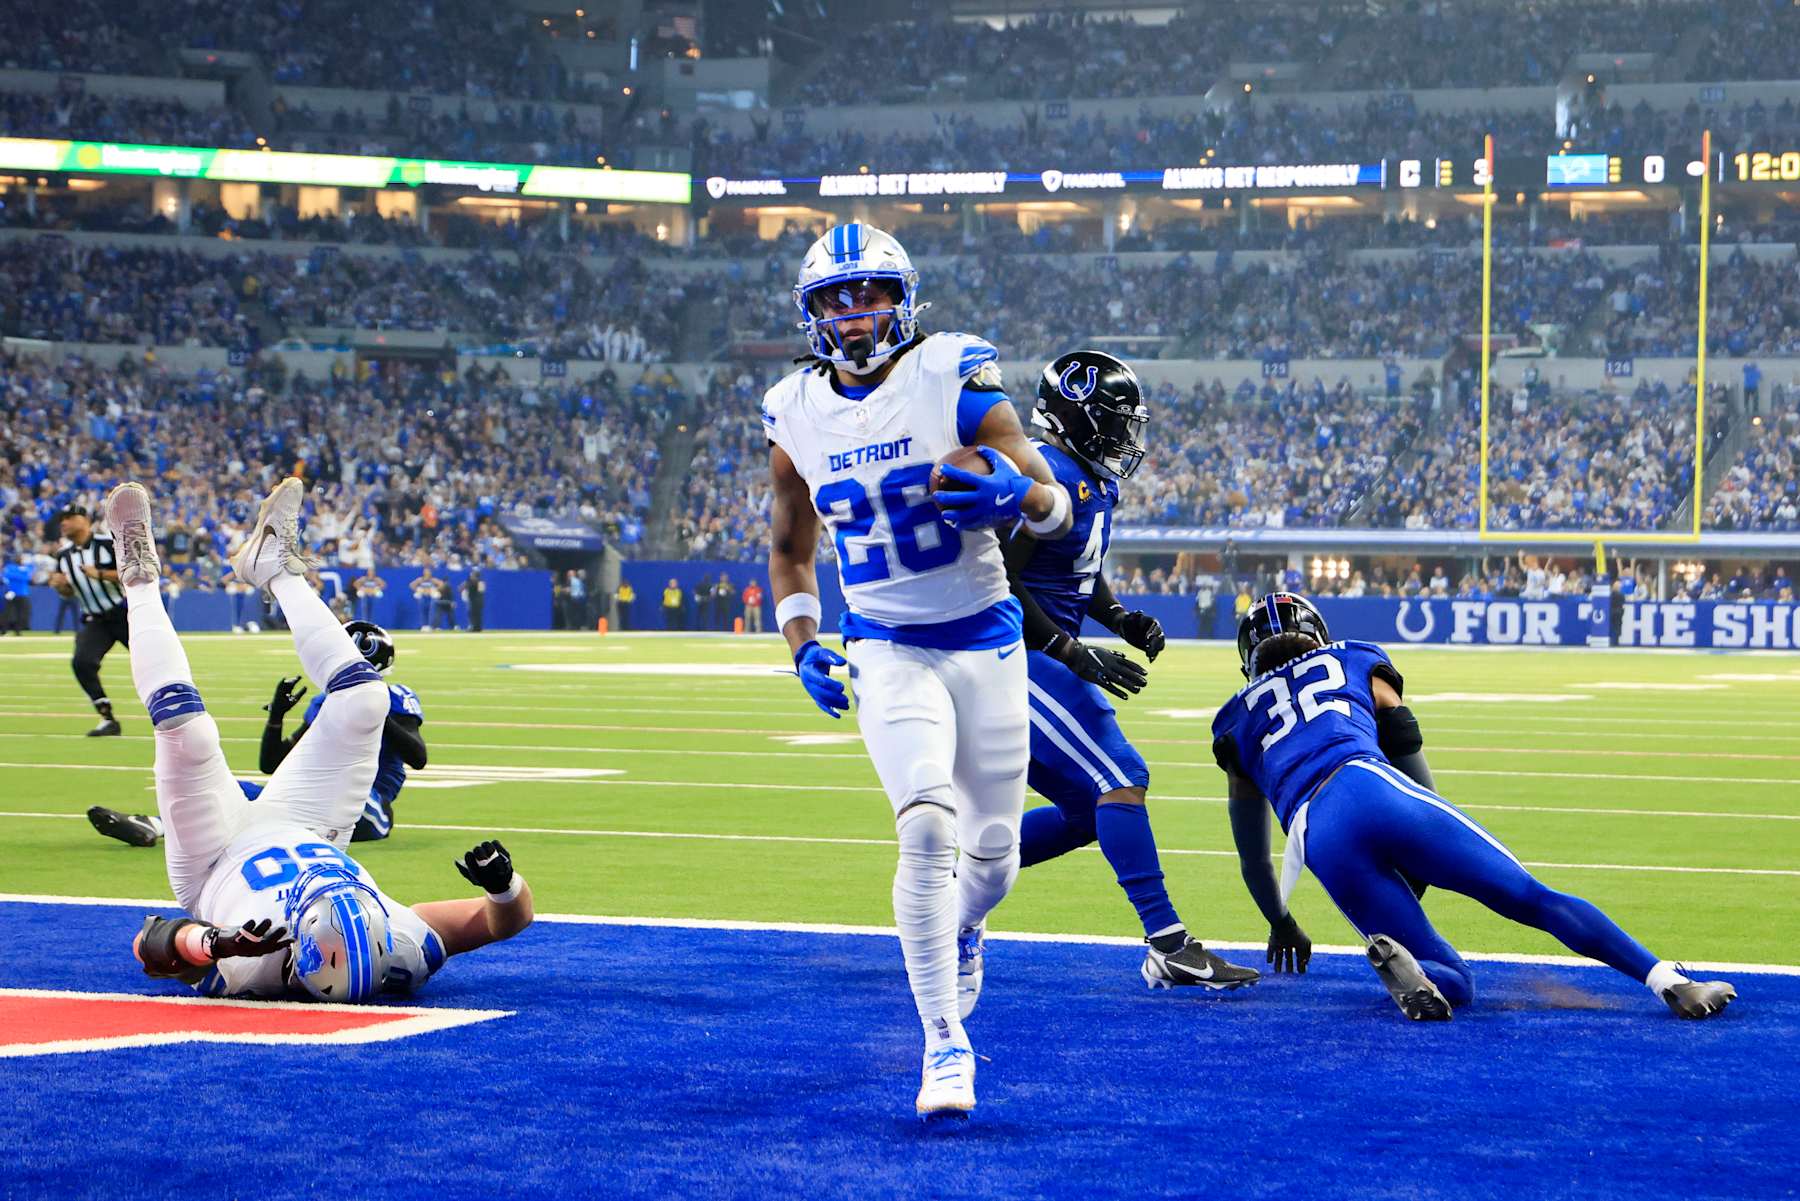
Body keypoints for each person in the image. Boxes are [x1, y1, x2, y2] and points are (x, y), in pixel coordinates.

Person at [764, 222, 1073, 1120]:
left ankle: (965, 926)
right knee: (926, 826)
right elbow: (790, 548)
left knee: (996, 857)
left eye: (871, 294)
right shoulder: (791, 409)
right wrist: (802, 639)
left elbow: (1047, 496)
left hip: (986, 639)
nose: (856, 313)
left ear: (904, 299)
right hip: (886, 643)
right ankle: (945, 1042)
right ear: (813, 311)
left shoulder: (953, 372)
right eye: (836, 297)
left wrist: (1024, 495)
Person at [1213, 592, 1735, 1022]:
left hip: (1315, 831)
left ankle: (1417, 973)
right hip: (1372, 785)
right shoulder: (1350, 656)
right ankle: (1669, 981)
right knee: (1533, 898)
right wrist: (1425, 828)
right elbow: (1402, 733)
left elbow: (1254, 859)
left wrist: (1281, 921)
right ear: (1319, 634)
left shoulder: (1235, 724)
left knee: (1454, 983)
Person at [101, 479, 531, 1001]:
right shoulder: (400, 949)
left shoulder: (253, 969)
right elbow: (500, 923)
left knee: (186, 731)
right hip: (314, 827)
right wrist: (503, 887)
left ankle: (138, 579)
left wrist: (209, 944)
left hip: (215, 858)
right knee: (366, 701)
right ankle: (273, 569)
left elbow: (149, 944)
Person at [1002, 351, 1258, 992]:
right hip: (1016, 657)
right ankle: (1169, 944)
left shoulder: (1087, 477)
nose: (1125, 436)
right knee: (1121, 776)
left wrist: (1117, 617)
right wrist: (1071, 650)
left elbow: (1073, 568)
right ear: (1078, 417)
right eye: (1114, 422)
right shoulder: (1046, 471)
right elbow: (999, 579)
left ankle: (951, 886)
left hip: (1043, 654)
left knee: (1089, 812)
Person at [88, 621, 426, 846]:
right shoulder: (324, 704)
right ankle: (153, 826)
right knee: (231, 789)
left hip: (368, 806)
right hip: (317, 804)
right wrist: (277, 717)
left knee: (279, 820)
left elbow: (418, 757)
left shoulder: (394, 698)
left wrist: (372, 708)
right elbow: (273, 765)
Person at [48, 505, 129, 735]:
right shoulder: (63, 555)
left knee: (150, 663)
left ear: (84, 520)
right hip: (95, 619)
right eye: (61, 519)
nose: (63, 523)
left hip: (123, 614)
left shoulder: (107, 544)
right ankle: (107, 719)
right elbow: (69, 591)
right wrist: (61, 587)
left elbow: (133, 572)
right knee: (82, 662)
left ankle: (174, 712)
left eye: (69, 518)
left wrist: (101, 574)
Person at [2, 551, 32, 634]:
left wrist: (17, 574)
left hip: (23, 593)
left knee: (21, 613)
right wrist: (20, 573)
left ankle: (18, 630)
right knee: (7, 612)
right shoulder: (10, 566)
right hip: (11, 593)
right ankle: (4, 630)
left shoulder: (26, 567)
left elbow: (27, 577)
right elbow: (6, 575)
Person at [410, 565, 442, 631]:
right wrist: (418, 590)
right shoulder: (420, 580)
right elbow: (411, 585)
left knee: (431, 611)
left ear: (430, 573)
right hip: (423, 597)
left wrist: (435, 589)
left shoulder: (433, 580)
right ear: (423, 572)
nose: (427, 573)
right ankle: (424, 625)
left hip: (431, 597)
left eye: (428, 572)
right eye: (425, 571)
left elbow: (441, 584)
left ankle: (430, 625)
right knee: (422, 611)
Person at [463, 565, 485, 632]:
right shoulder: (478, 581)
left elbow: (480, 591)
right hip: (478, 600)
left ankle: (474, 627)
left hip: (475, 600)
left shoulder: (474, 582)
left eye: (473, 573)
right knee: (476, 614)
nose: (471, 574)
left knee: (474, 614)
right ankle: (477, 627)